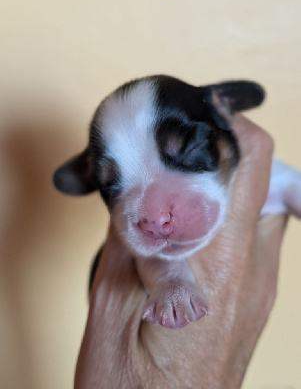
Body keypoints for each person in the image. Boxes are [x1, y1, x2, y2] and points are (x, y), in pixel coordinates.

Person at [74, 115, 287, 389]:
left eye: (185, 151)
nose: (156, 217)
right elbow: (149, 262)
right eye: (116, 183)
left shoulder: (252, 167)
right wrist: (172, 282)